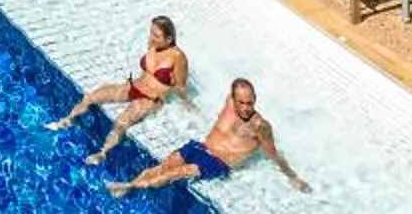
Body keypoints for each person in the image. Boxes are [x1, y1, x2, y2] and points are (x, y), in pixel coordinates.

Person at [104, 79, 308, 195]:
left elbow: (274, 154)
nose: (246, 108)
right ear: (233, 98)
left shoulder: (260, 126)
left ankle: (128, 187)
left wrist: (293, 177)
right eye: (242, 102)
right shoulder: (229, 103)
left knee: (175, 173)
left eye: (250, 103)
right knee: (164, 166)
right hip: (199, 147)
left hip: (218, 163)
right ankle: (132, 184)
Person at [47, 17, 189, 165]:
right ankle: (67, 119)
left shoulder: (178, 57)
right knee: (92, 96)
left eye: (156, 36)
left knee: (122, 122)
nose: (151, 38)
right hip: (134, 86)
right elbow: (148, 72)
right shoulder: (153, 45)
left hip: (150, 98)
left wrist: (187, 104)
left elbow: (180, 87)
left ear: (169, 39)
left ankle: (103, 153)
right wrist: (131, 85)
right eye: (151, 33)